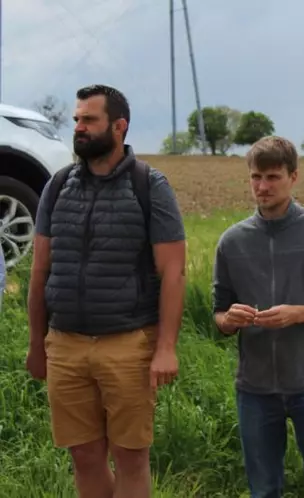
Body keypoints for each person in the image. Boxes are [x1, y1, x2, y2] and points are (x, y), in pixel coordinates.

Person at [25, 84, 187, 498]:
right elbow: (40, 270)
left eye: (89, 120)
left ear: (119, 126)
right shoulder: (59, 185)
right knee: (84, 455)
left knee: (130, 457)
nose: (79, 127)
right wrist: (37, 344)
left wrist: (165, 347)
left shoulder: (149, 185)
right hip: (65, 344)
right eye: (77, 119)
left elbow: (173, 272)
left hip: (128, 343)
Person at [212, 135, 304, 498]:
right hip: (255, 388)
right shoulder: (232, 242)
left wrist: (298, 314)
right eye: (256, 177)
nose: (263, 187)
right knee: (263, 491)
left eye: (273, 177)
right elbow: (219, 314)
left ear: (293, 177)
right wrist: (230, 319)